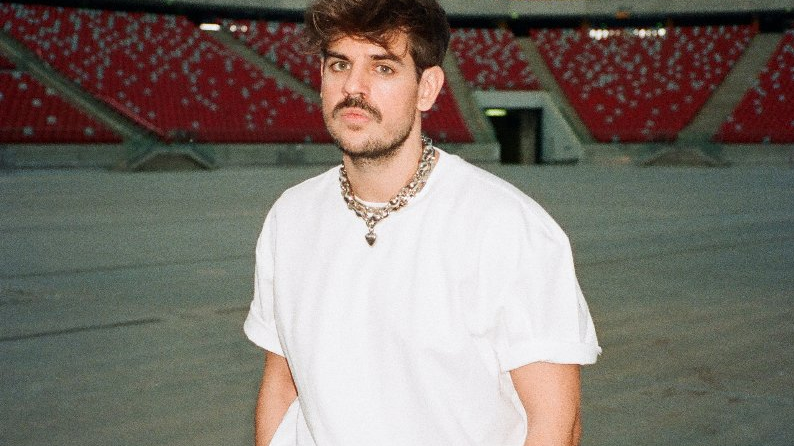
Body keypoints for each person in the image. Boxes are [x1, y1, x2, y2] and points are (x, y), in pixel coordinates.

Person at [244, 0, 601, 444]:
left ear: (427, 88)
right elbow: (282, 383)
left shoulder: (509, 227)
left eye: (383, 68)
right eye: (339, 64)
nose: (353, 87)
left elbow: (555, 424)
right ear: (321, 77)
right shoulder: (290, 217)